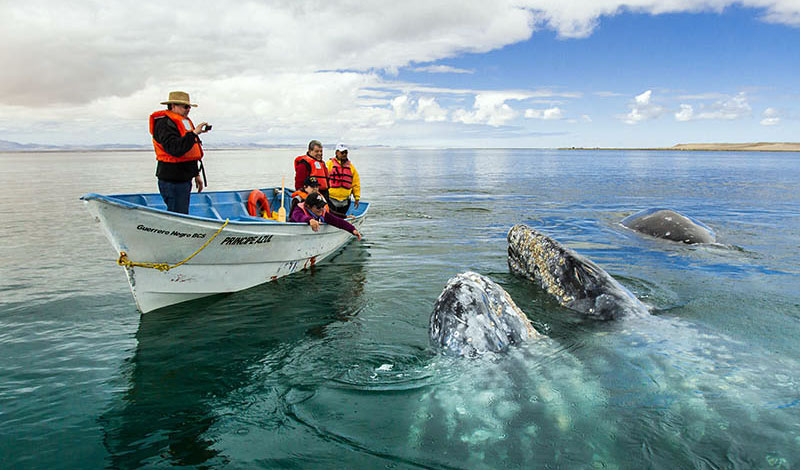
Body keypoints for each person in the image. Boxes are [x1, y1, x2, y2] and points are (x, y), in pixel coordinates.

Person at [149, 91, 211, 214]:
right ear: (173, 106)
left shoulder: (183, 122)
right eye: (185, 106)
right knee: (178, 215)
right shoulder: (164, 124)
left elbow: (188, 151)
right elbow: (174, 149)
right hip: (172, 180)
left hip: (184, 178)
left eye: (189, 107)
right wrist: (193, 134)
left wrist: (195, 174)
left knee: (182, 213)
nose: (188, 110)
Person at [290, 192, 362, 241]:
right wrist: (310, 220)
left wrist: (352, 230)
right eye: (318, 207)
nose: (321, 209)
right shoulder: (298, 210)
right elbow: (299, 217)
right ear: (308, 206)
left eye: (322, 206)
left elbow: (337, 221)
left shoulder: (322, 212)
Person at [326, 143, 361, 217]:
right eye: (342, 152)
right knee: (332, 217)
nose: (344, 154)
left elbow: (356, 183)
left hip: (345, 201)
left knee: (341, 218)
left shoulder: (351, 167)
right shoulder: (329, 164)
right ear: (336, 152)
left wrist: (357, 198)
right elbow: (323, 179)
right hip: (331, 199)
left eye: (346, 152)